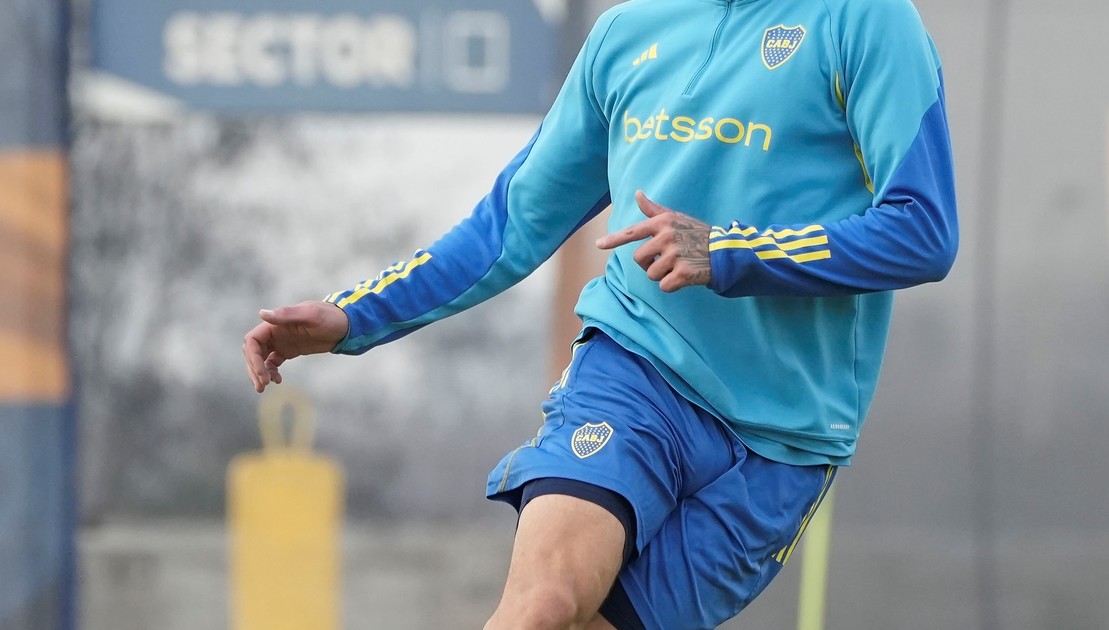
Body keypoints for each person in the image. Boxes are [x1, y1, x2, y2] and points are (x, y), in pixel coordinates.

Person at [242, 0, 957, 627]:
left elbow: (923, 230)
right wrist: (353, 315)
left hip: (784, 445)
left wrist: (727, 250)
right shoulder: (625, 34)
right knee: (544, 608)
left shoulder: (867, 18)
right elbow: (508, 227)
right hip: (634, 374)